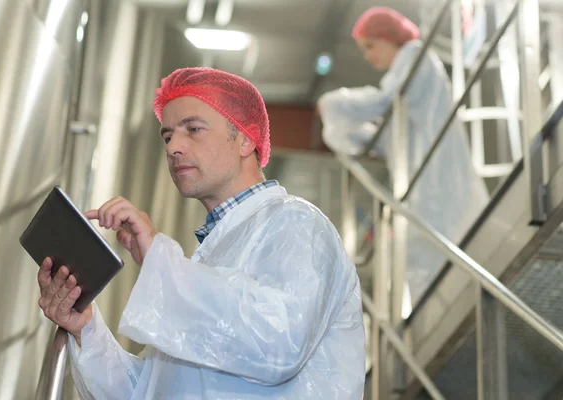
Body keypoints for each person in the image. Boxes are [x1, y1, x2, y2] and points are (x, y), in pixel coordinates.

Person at [36, 67, 366, 399]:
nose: (173, 147)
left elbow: (278, 342)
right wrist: (85, 328)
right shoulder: (212, 256)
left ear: (246, 138)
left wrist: (160, 260)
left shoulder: (297, 224)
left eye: (193, 129)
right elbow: (148, 392)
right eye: (167, 136)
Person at [317, 7, 490, 302]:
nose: (368, 56)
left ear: (390, 37)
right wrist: (338, 133)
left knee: (437, 257)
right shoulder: (405, 88)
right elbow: (382, 138)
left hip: (435, 182)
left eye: (371, 45)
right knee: (435, 258)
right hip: (426, 184)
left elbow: (383, 102)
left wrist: (332, 104)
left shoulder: (413, 55)